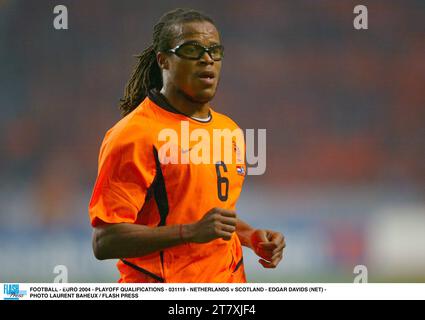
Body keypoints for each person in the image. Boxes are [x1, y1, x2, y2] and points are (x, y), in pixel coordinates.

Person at [88, 8, 285, 283]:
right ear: (163, 60)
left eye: (215, 51)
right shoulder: (133, 135)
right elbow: (104, 241)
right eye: (192, 50)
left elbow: (209, 220)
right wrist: (189, 232)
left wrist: (250, 236)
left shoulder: (229, 131)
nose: (207, 59)